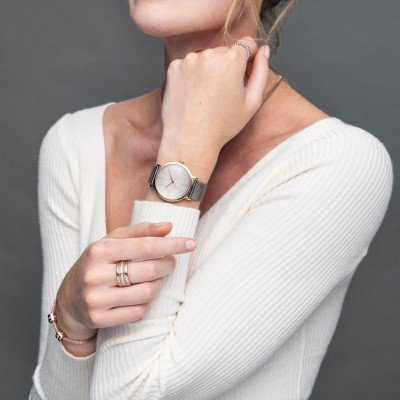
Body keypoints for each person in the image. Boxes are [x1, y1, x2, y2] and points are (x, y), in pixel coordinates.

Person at [29, 1, 394, 399]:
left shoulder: (337, 163)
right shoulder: (76, 143)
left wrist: (187, 146)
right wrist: (69, 318)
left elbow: (132, 393)